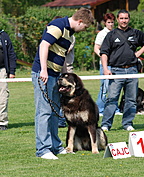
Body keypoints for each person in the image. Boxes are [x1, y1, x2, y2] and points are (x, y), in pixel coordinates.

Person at [31, 8, 94, 160]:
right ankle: (43, 149)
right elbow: (44, 45)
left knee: (54, 112)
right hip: (44, 74)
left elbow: (62, 57)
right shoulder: (58, 25)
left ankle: (55, 146)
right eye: (85, 27)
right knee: (44, 112)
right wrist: (44, 70)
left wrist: (65, 76)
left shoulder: (69, 33)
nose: (84, 30)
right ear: (80, 22)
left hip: (55, 75)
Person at [100, 9, 144, 131]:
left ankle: (128, 124)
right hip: (116, 71)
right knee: (112, 98)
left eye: (126, 18)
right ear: (117, 20)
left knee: (131, 100)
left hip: (132, 71)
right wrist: (105, 68)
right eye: (122, 18)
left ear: (129, 19)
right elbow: (104, 53)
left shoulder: (135, 33)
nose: (124, 21)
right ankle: (106, 125)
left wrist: (139, 53)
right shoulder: (111, 35)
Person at [94, 13, 122, 117]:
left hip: (116, 64)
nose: (111, 24)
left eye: (112, 22)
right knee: (104, 88)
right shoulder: (102, 34)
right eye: (108, 22)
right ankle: (100, 109)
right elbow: (96, 48)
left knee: (115, 87)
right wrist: (104, 57)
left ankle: (115, 109)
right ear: (105, 23)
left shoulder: (117, 32)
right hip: (105, 65)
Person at [0, 30, 17, 130]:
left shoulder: (4, 35)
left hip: (2, 70)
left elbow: (11, 53)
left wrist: (12, 71)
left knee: (3, 96)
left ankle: (2, 122)